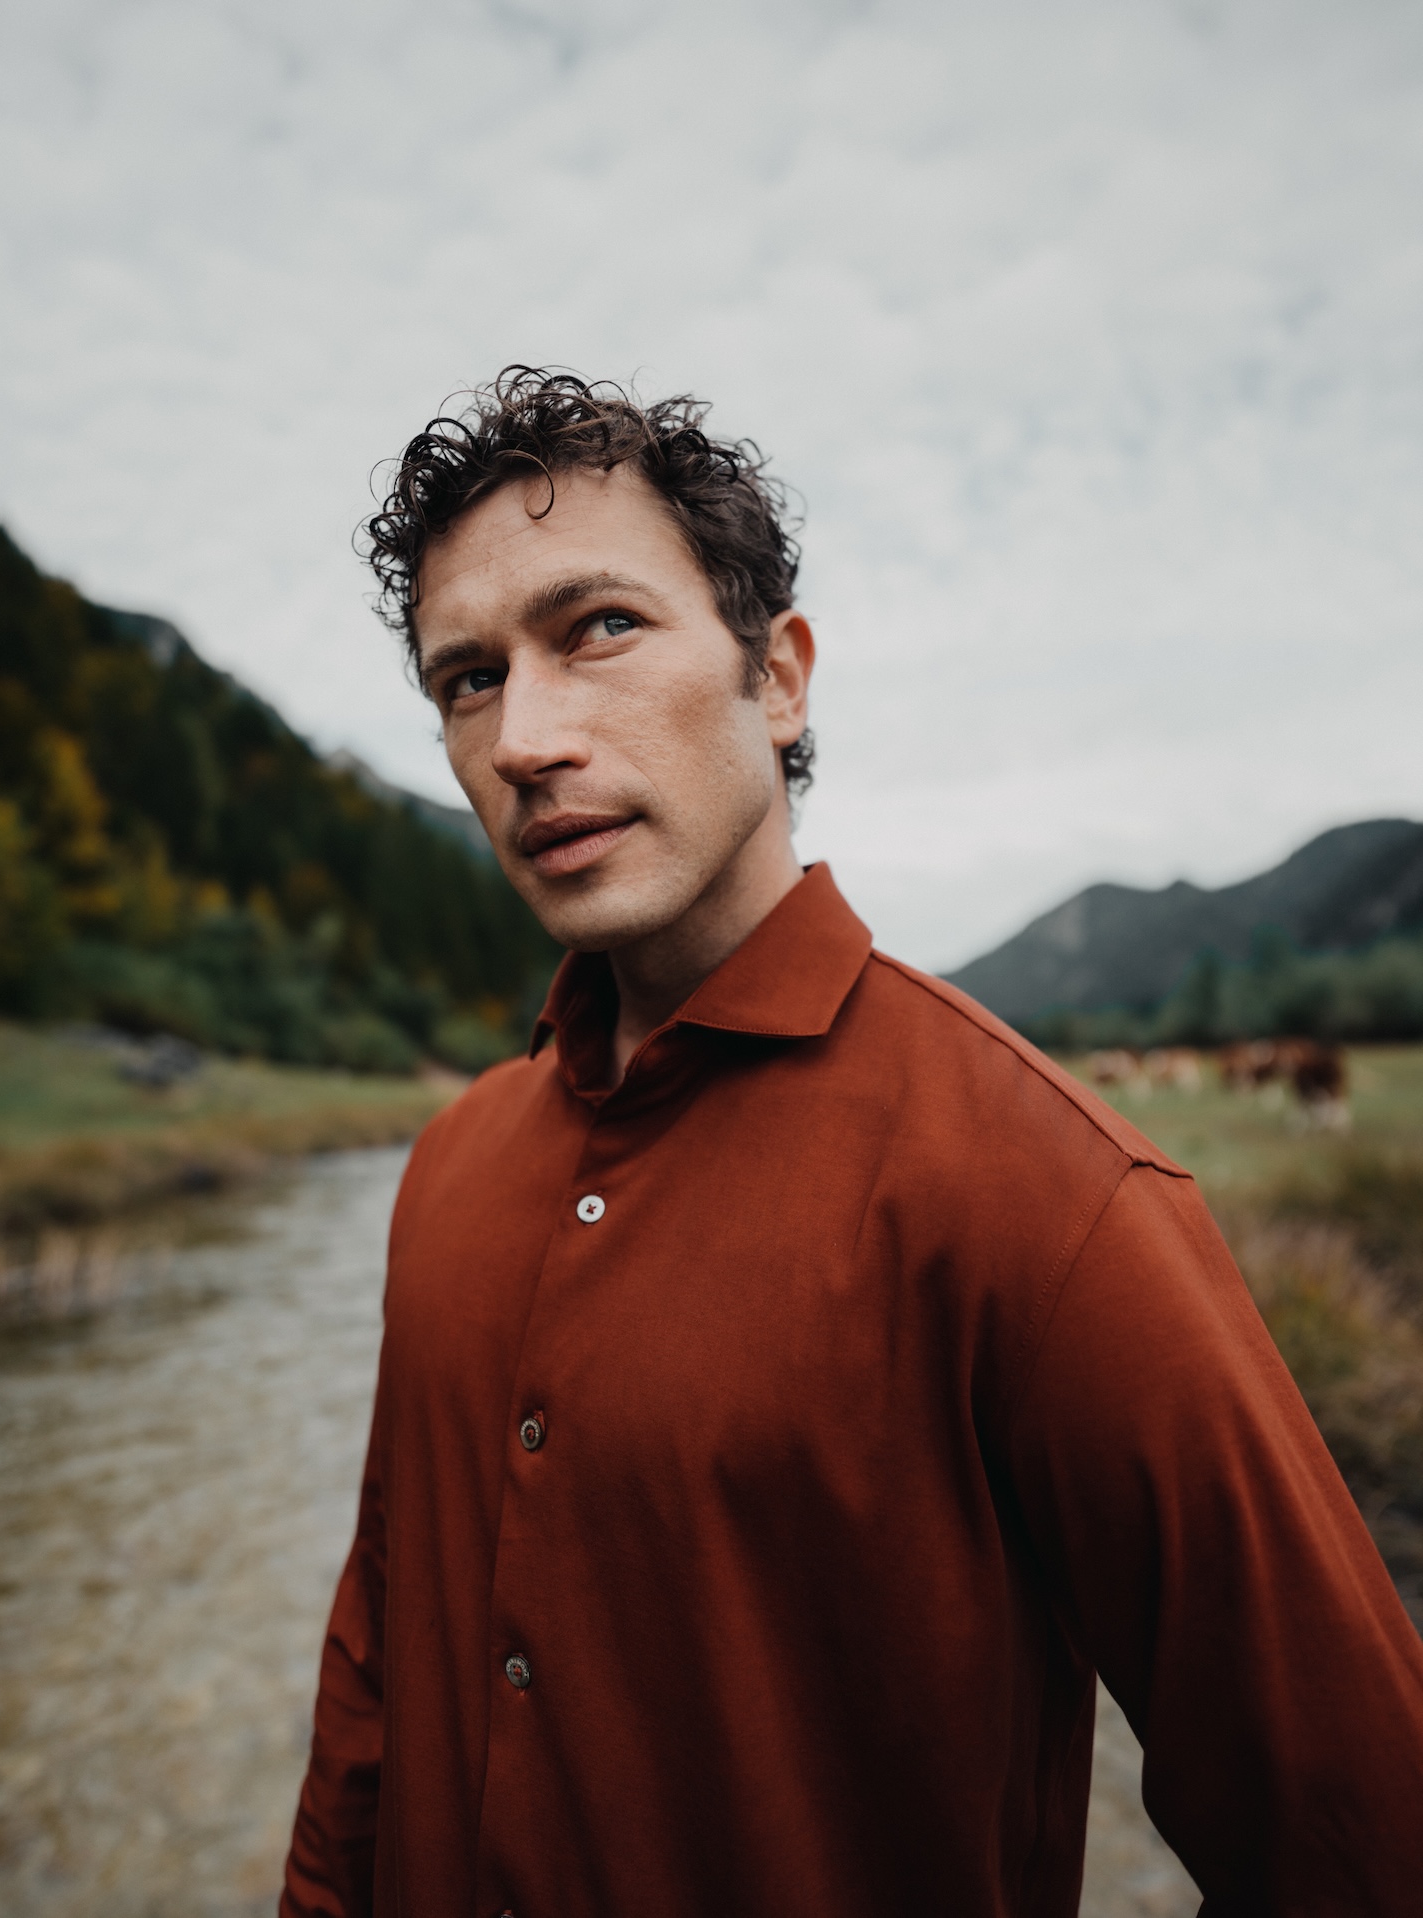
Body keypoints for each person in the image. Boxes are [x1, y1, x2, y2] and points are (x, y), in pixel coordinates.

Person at [281, 369, 1423, 1918]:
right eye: (466, 679)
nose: (523, 737)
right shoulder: (451, 1166)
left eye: (597, 626)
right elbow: (378, 1671)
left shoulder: (1048, 1191)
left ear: (779, 678)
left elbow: (1356, 1830)